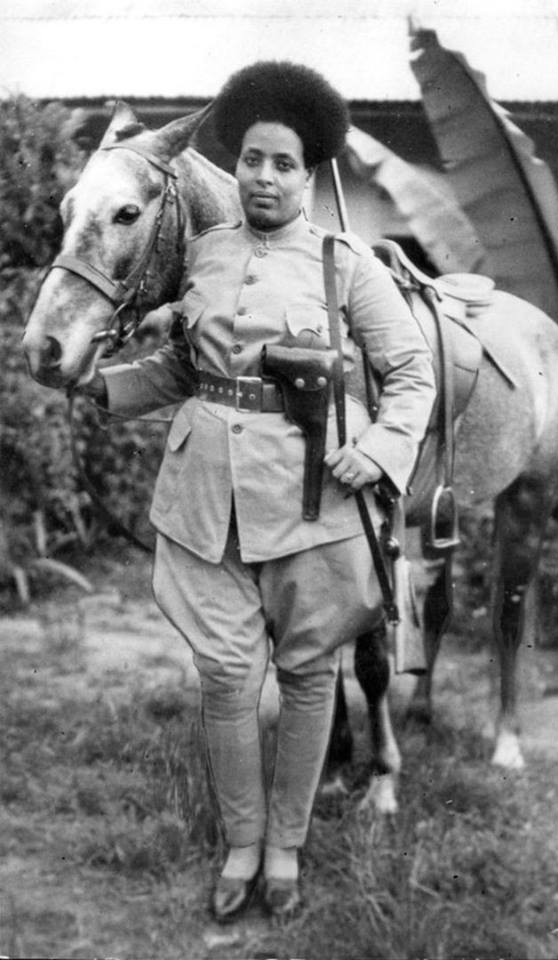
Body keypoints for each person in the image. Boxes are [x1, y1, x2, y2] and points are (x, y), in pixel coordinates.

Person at [87, 61, 435, 922]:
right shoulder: (202, 255)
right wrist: (106, 390)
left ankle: (285, 847)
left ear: (308, 175)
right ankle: (241, 842)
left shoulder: (343, 263)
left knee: (310, 673)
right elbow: (180, 367)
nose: (264, 178)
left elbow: (410, 371)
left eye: (283, 164)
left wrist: (383, 450)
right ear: (233, 166)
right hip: (204, 502)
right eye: (251, 160)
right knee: (225, 675)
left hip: (312, 503)